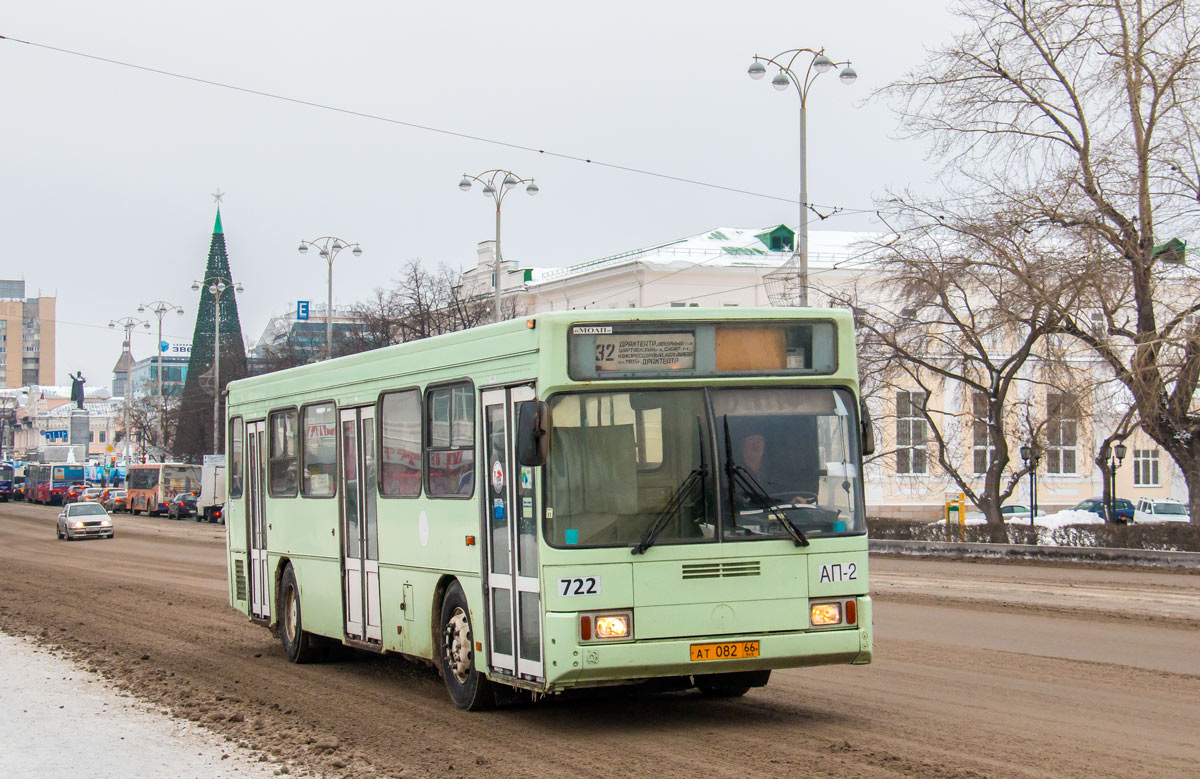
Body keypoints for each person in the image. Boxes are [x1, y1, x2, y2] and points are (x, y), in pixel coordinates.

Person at [740, 433, 812, 505]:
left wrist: (793, 501)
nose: (756, 445)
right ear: (742, 446)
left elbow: (784, 495)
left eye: (760, 440)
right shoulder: (736, 472)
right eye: (750, 440)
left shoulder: (774, 471)